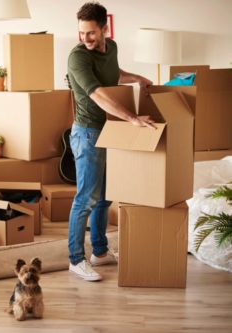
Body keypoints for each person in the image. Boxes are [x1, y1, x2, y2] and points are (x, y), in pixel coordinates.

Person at [67, 2, 155, 282]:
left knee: (104, 198)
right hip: (88, 133)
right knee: (86, 199)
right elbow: (98, 94)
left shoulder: (112, 47)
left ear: (105, 29)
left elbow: (112, 74)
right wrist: (132, 119)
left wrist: (137, 77)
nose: (85, 39)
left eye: (91, 33)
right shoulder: (77, 58)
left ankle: (100, 252)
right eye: (82, 33)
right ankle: (75, 259)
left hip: (109, 130)